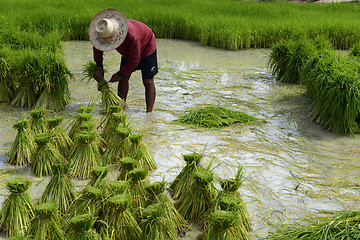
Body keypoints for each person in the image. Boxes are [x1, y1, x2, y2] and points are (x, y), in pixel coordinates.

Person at [88, 8, 158, 113]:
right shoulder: (102, 33)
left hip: (147, 47)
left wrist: (119, 74)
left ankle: (149, 113)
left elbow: (135, 60)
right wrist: (99, 67)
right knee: (124, 78)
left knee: (147, 80)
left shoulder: (132, 36)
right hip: (127, 51)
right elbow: (97, 48)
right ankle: (120, 106)